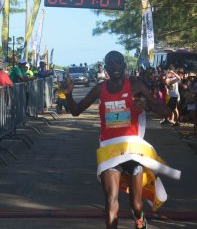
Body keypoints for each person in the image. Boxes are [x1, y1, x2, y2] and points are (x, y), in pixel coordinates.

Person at [63, 51, 176, 229]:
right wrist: (68, 95)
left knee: (136, 204)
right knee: (111, 200)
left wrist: (146, 107)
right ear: (106, 67)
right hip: (109, 150)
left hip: (132, 149)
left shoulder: (136, 85)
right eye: (110, 63)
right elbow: (76, 110)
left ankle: (139, 220)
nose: (114, 66)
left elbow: (164, 111)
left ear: (123, 65)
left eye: (118, 62)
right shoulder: (100, 89)